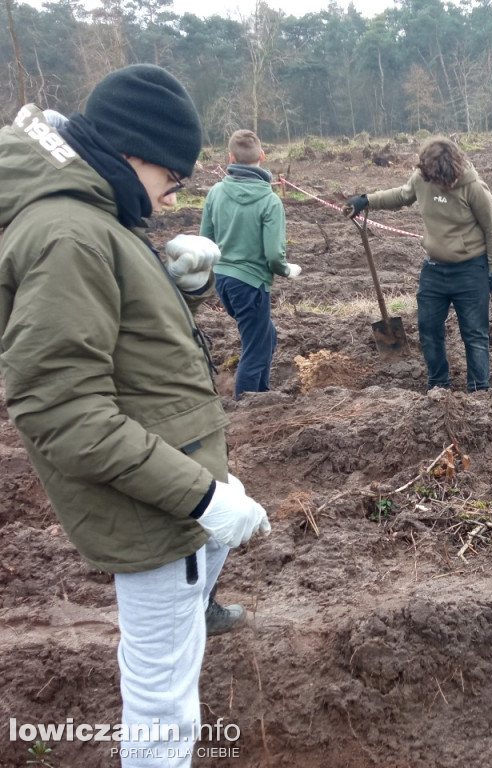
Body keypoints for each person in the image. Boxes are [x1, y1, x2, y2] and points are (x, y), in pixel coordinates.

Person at [0, 65, 271, 767]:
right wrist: (202, 496)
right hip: (149, 507)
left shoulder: (94, 214)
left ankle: (199, 602)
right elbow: (64, 408)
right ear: (134, 153)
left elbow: (133, 348)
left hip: (167, 479)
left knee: (171, 655)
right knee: (162, 703)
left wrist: (188, 285)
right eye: (171, 179)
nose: (169, 198)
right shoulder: (70, 234)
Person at [347, 136, 492, 392]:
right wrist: (367, 199)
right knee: (428, 330)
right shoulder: (422, 178)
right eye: (437, 180)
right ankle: (438, 385)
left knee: (475, 335)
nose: (443, 185)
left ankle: (479, 392)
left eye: (448, 181)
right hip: (434, 270)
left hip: (470, 270)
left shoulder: (474, 188)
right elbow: (401, 195)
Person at [200, 129, 301, 399]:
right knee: (255, 349)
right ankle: (246, 409)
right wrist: (287, 270)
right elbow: (273, 255)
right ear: (263, 156)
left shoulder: (216, 193)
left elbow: (205, 242)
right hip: (251, 285)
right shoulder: (270, 201)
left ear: (230, 157)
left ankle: (262, 394)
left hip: (223, 281)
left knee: (266, 335)